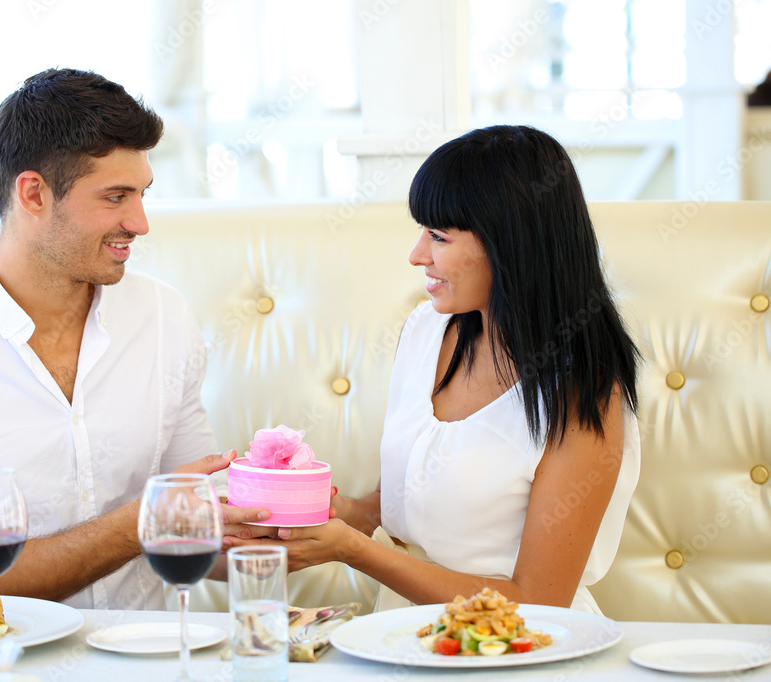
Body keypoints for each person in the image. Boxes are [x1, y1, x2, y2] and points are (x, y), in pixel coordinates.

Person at [0, 69, 267, 610]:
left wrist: (310, 524)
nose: (139, 223)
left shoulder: (163, 316)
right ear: (34, 194)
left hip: (149, 658)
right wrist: (135, 523)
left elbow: (197, 526)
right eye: (115, 197)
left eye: (142, 195)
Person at [228, 125, 641, 614]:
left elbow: (537, 602)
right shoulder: (427, 330)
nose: (416, 254)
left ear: (510, 243)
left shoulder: (582, 391)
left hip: (514, 647)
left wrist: (352, 550)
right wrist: (321, 509)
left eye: (438, 236)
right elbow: (405, 501)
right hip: (401, 634)